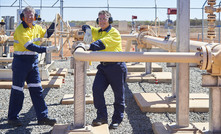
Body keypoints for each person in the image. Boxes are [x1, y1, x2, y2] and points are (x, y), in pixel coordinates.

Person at [8, 6, 59, 127]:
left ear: (35, 16)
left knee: (37, 90)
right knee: (17, 90)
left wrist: (55, 23)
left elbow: (46, 34)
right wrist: (47, 49)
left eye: (32, 15)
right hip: (20, 63)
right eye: (28, 15)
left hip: (33, 62)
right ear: (23, 17)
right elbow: (30, 46)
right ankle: (12, 118)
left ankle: (42, 117)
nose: (30, 17)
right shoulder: (20, 30)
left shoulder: (37, 27)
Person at [82, 10, 127, 129]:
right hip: (103, 67)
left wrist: (87, 46)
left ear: (109, 20)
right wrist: (86, 30)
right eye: (100, 19)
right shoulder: (98, 31)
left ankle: (117, 119)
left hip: (116, 67)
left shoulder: (114, 33)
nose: (101, 21)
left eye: (104, 19)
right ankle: (102, 117)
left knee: (118, 95)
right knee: (96, 89)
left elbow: (101, 44)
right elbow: (87, 27)